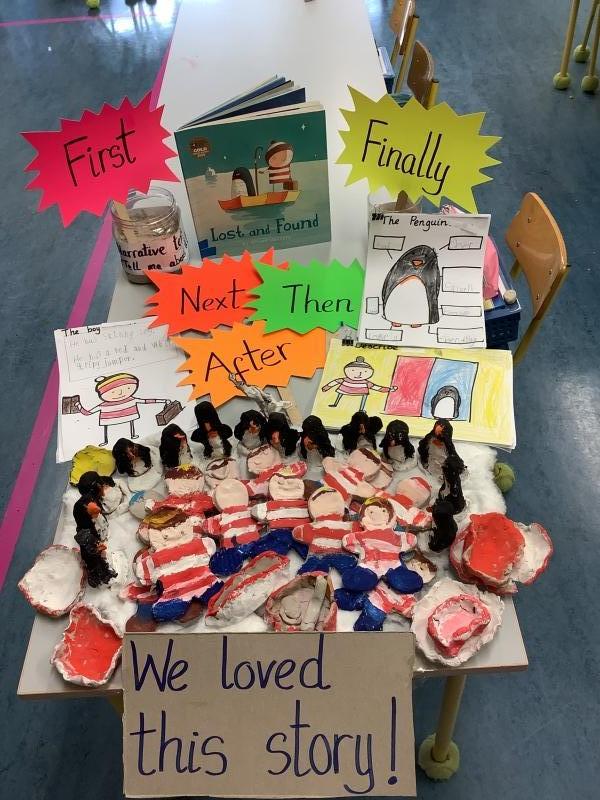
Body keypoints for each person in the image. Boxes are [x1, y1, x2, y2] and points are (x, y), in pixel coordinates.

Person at [68, 373, 168, 446]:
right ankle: (106, 441)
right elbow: (88, 413)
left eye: (128, 388)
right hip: (109, 419)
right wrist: (79, 406)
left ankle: (132, 434)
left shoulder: (132, 400)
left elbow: (146, 401)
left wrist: (163, 401)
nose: (120, 393)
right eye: (113, 392)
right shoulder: (103, 406)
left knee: (130, 423)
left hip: (129, 416)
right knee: (107, 428)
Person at [321, 356, 396, 411]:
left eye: (365, 372)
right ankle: (335, 404)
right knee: (340, 394)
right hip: (344, 389)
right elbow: (335, 382)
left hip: (361, 391)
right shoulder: (344, 379)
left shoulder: (366, 382)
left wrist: (389, 389)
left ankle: (361, 409)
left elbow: (377, 388)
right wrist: (327, 387)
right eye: (353, 370)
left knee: (364, 396)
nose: (359, 374)